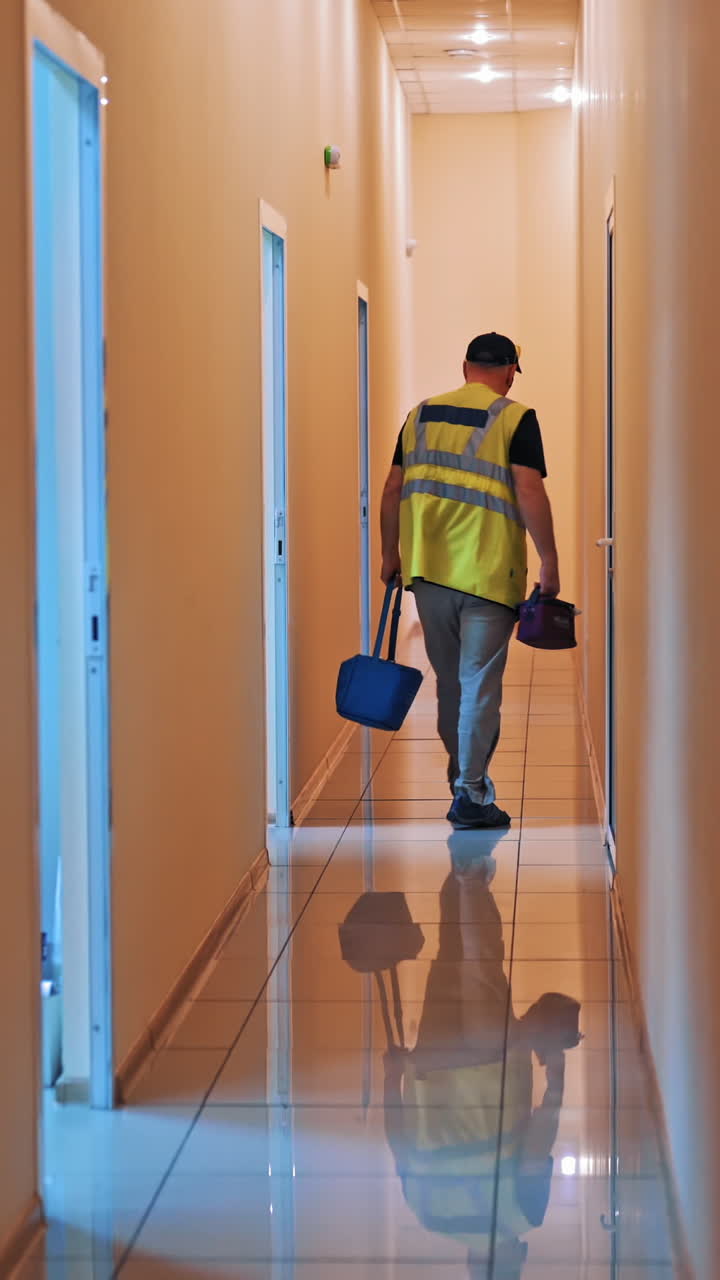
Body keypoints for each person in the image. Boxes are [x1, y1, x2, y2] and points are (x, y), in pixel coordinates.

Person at [380, 831, 582, 1278]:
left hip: (492, 1070)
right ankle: (461, 870)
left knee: (481, 963)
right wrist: (392, 1077)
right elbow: (399, 1142)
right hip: (430, 1067)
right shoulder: (427, 1214)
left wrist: (556, 1080)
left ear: (512, 1260)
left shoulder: (522, 1215)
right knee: (451, 957)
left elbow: (536, 1147)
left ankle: (468, 874)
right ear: (473, 1264)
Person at [379, 332, 560, 830]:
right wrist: (549, 560)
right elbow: (529, 490)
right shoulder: (516, 418)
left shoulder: (420, 415)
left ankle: (462, 778)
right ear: (509, 372)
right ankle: (471, 793)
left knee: (452, 686)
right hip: (488, 572)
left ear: (465, 367)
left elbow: (392, 488)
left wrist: (390, 554)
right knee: (479, 685)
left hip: (430, 572)